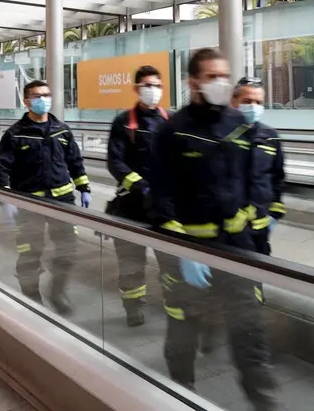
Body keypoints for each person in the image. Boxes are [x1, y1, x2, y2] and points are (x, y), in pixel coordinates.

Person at [146, 48, 276, 410]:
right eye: (212, 76)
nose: (220, 82)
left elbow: (255, 181)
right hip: (189, 255)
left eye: (224, 75)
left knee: (249, 328)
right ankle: (182, 394)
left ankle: (263, 399)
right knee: (184, 329)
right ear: (193, 82)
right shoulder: (172, 132)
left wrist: (257, 221)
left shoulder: (238, 124)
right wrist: (182, 252)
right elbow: (161, 200)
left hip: (237, 249)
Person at [0, 80, 91, 315]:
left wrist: (84, 187)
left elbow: (75, 161)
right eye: (36, 96)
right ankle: (32, 299)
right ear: (26, 102)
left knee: (69, 250)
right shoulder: (15, 134)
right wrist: (4, 198)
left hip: (62, 201)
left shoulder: (62, 130)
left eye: (46, 95)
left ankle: (58, 292)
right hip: (28, 203)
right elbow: (1, 167)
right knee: (29, 253)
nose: (42, 99)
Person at [106, 65, 169, 327]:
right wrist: (141, 186)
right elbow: (115, 163)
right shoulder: (123, 123)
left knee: (170, 261)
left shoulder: (171, 122)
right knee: (131, 261)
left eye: (156, 86)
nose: (152, 91)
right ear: (136, 89)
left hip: (164, 209)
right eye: (147, 86)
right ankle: (133, 307)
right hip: (131, 206)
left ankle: (175, 306)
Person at [232, 77, 286, 257]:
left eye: (258, 102)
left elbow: (277, 177)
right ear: (234, 102)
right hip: (229, 231)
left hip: (260, 230)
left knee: (256, 279)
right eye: (247, 101)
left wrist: (273, 215)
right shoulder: (222, 136)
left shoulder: (270, 137)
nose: (253, 106)